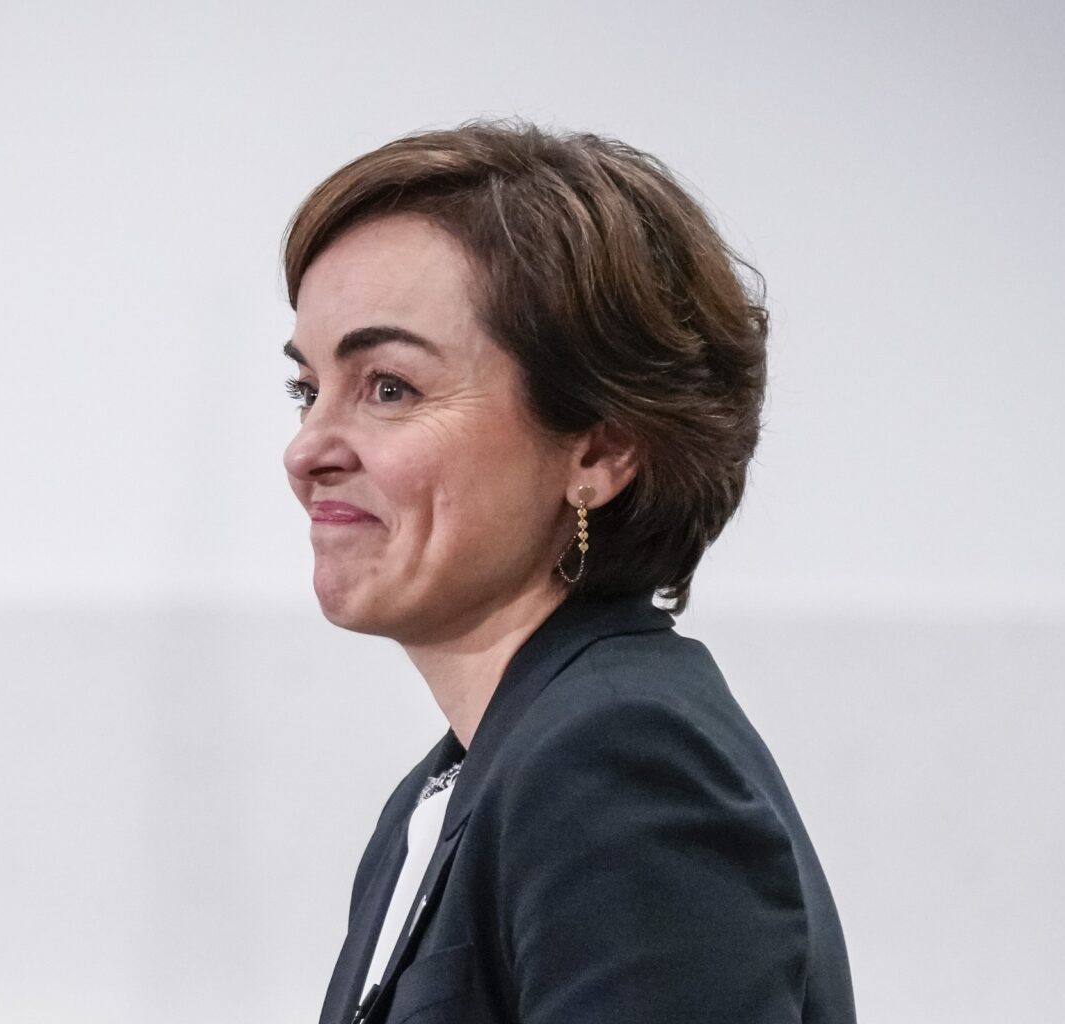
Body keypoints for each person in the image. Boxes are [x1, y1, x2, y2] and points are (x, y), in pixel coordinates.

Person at [281, 122, 855, 1024]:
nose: (306, 448)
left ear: (599, 449)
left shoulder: (617, 760)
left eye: (389, 386)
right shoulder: (452, 790)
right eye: (306, 388)